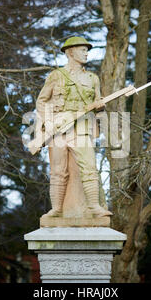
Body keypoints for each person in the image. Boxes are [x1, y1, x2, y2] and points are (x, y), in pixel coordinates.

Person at [36, 36, 112, 218]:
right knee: (58, 171)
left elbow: (97, 103)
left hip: (82, 128)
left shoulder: (92, 78)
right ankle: (57, 209)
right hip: (58, 129)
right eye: (82, 49)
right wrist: (50, 123)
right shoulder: (56, 76)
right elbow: (41, 101)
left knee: (89, 167)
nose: (86, 53)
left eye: (87, 50)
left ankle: (94, 206)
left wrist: (100, 108)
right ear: (70, 52)